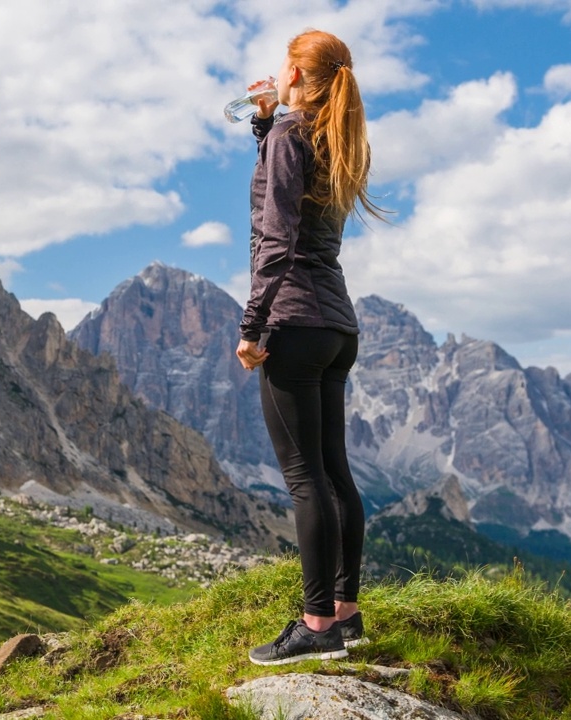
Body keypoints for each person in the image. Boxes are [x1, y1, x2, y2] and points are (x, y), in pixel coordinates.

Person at [235, 29, 385, 665]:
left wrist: (251, 325)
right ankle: (347, 615)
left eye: (285, 64)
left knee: (304, 480)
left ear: (296, 74)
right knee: (335, 472)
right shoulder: (335, 137)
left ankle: (316, 625)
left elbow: (276, 239)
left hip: (293, 323)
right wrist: (266, 125)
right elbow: (296, 189)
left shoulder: (292, 136)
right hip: (337, 327)